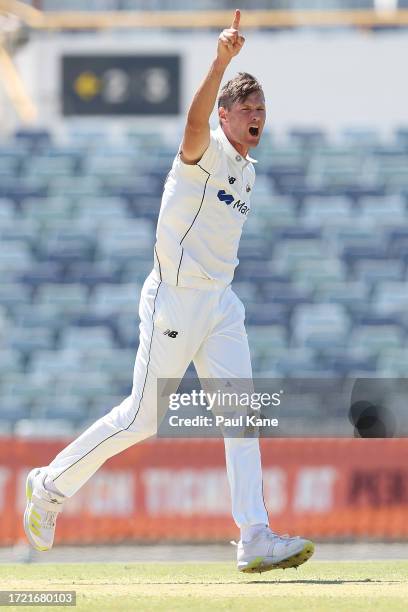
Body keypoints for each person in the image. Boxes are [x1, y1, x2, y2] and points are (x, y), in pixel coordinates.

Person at [24, 9, 314, 573]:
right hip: (175, 299)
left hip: (221, 304)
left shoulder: (249, 171)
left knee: (241, 417)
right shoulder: (201, 155)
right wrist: (220, 62)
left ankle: (254, 535)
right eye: (247, 110)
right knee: (142, 419)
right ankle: (49, 485)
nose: (258, 117)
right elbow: (192, 124)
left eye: (262, 110)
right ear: (224, 116)